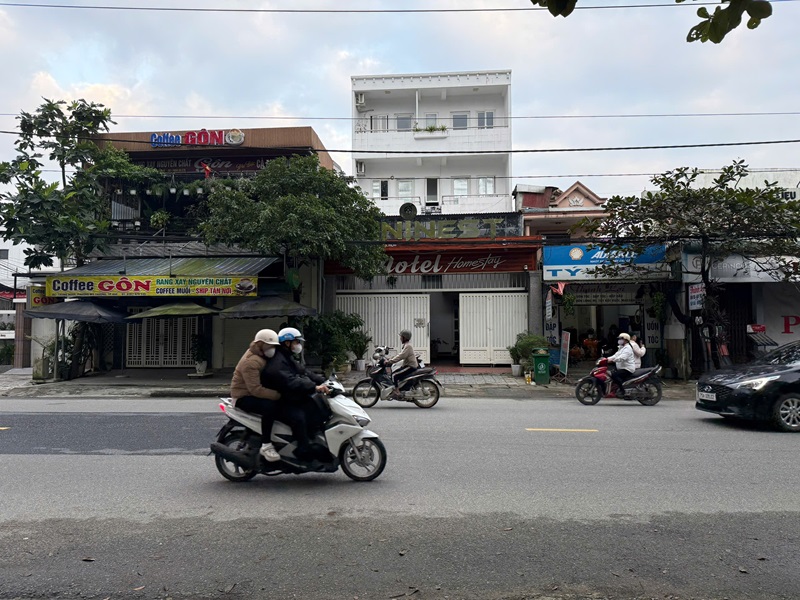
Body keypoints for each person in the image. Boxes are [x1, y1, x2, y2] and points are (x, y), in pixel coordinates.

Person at [261, 327, 330, 461]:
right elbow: (291, 382)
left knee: (313, 408)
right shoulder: (278, 361)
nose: (299, 345)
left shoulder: (287, 357)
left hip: (289, 397)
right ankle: (302, 450)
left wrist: (322, 380)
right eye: (296, 342)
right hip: (279, 400)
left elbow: (303, 371)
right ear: (287, 343)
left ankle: (313, 438)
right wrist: (314, 387)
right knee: (299, 417)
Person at [229, 329, 283, 462]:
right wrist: (279, 395)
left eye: (274, 346)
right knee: (270, 407)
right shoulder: (251, 362)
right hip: (243, 397)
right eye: (269, 346)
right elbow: (256, 390)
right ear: (260, 345)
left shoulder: (262, 356)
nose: (272, 349)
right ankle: (266, 444)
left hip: (251, 393)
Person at [386, 329, 419, 399]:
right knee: (396, 373)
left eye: (401, 337)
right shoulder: (406, 345)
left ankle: (397, 392)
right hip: (407, 365)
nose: (400, 338)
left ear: (405, 337)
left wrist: (390, 361)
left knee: (394, 375)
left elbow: (401, 356)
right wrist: (390, 358)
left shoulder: (408, 346)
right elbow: (400, 354)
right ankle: (401, 388)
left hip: (410, 366)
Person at [607, 332, 635, 397]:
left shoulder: (627, 348)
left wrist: (613, 360)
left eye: (621, 339)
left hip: (627, 368)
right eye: (619, 339)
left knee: (614, 375)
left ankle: (623, 390)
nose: (619, 340)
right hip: (622, 368)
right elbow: (615, 355)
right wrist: (606, 359)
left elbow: (622, 357)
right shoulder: (621, 348)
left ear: (626, 340)